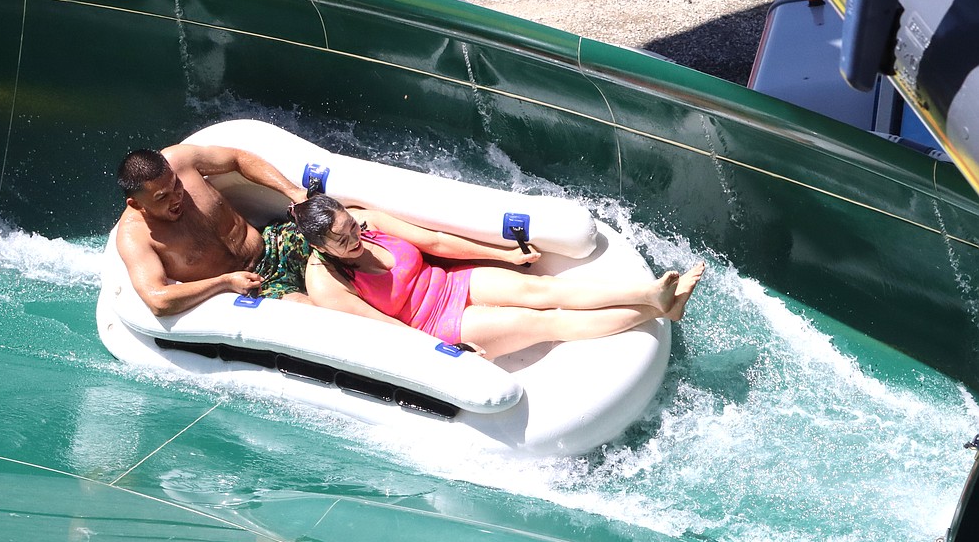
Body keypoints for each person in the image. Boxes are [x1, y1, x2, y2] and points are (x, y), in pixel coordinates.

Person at [290, 194, 705, 359]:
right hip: (432, 324)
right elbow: (383, 331)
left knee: (545, 288)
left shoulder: (366, 221)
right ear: (321, 246)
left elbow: (437, 242)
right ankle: (658, 311)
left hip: (450, 283)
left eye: (353, 227)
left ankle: (652, 295)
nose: (356, 238)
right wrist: (442, 352)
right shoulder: (326, 282)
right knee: (545, 321)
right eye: (343, 240)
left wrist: (506, 254)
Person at [115, 144, 313, 316]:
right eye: (162, 197)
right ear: (136, 204)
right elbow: (157, 300)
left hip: (272, 244)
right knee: (306, 307)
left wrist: (292, 192)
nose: (176, 197)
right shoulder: (134, 236)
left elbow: (237, 158)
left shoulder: (180, 160)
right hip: (249, 287)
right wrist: (224, 283)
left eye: (176, 184)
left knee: (336, 230)